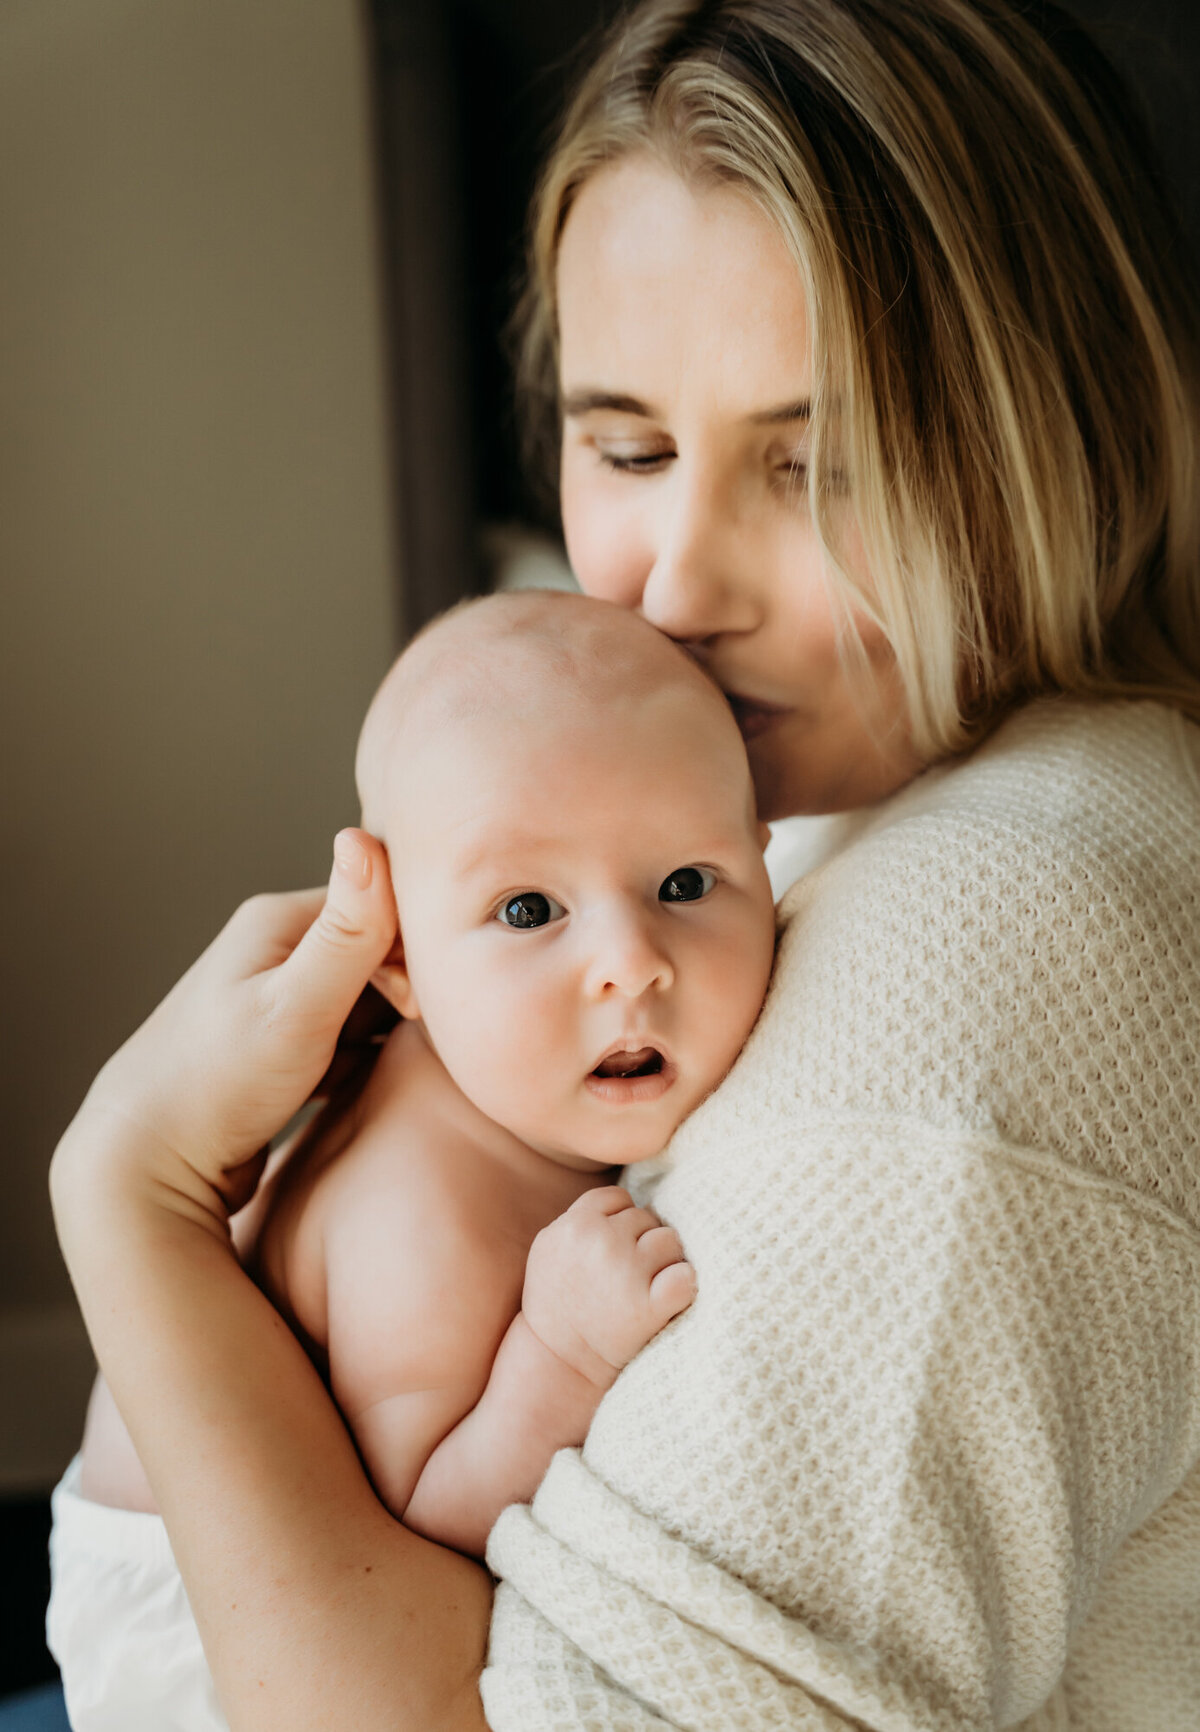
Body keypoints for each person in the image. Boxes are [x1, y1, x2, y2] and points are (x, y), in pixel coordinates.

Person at [44, 0, 1200, 1728]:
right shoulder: (835, 790)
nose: (672, 585)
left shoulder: (992, 937)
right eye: (629, 447)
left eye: (822, 464)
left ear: (1064, 429)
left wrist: (128, 1198)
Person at [46, 590, 777, 1727]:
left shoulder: (515, 1084)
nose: (631, 964)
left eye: (686, 883)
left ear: (766, 865)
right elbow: (418, 1526)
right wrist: (560, 1356)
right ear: (396, 964)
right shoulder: (421, 1211)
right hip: (183, 1632)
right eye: (530, 907)